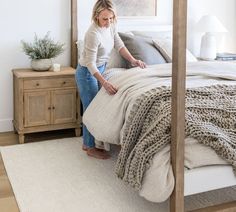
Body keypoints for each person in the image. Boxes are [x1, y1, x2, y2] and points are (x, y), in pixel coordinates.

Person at [75, 0, 146, 159]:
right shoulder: (93, 33)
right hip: (87, 73)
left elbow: (119, 45)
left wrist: (133, 60)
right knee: (91, 108)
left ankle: (100, 141)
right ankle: (89, 146)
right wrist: (105, 82)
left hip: (101, 69)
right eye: (105, 19)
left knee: (100, 106)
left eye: (111, 18)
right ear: (96, 16)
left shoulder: (111, 25)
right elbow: (90, 63)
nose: (108, 22)